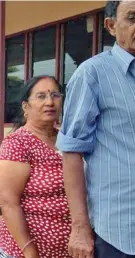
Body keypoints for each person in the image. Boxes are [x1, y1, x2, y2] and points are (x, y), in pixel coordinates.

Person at [56, 1, 135, 258]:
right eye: (132, 17)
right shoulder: (92, 74)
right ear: (111, 26)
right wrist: (79, 228)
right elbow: (71, 153)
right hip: (120, 231)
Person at [0, 76, 70, 258]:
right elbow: (8, 203)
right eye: (41, 96)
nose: (50, 102)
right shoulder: (18, 143)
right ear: (25, 107)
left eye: (55, 95)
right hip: (26, 252)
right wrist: (29, 251)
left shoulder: (67, 140)